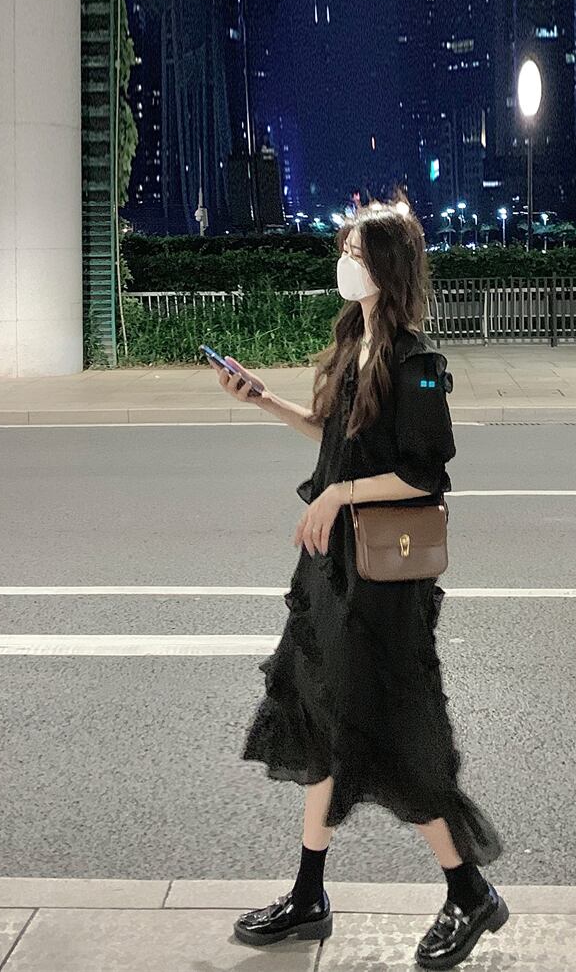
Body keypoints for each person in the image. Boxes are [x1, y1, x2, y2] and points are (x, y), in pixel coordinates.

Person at [208, 194, 508, 969]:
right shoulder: (354, 344)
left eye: (354, 251)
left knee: (393, 730)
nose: (343, 259)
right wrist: (263, 399)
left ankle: (470, 890)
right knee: (320, 714)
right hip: (333, 571)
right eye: (343, 248)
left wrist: (339, 494)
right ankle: (309, 893)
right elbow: (334, 439)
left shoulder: (417, 364)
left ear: (385, 267)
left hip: (383, 581)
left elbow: (424, 475)